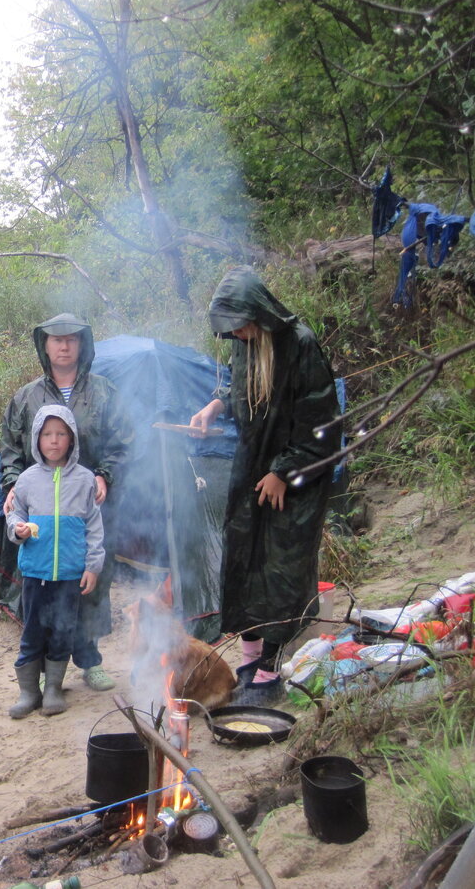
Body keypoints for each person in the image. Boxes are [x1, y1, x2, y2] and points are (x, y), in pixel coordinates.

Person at [188, 267, 340, 703]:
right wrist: (216, 406)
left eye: (241, 321)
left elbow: (322, 425)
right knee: (243, 556)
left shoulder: (300, 345)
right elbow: (244, 393)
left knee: (281, 568)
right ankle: (250, 656)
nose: (237, 332)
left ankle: (271, 671)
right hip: (253, 469)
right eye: (231, 326)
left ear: (260, 310)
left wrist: (285, 472)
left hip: (294, 479)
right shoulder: (244, 344)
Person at [0, 312, 132, 692]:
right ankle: (41, 671)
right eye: (55, 339)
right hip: (40, 508)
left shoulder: (105, 391)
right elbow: (11, 449)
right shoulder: (26, 396)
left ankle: (89, 661)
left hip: (88, 504)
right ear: (44, 345)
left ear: (82, 345)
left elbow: (122, 442)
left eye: (71, 339)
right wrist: (13, 484)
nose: (63, 345)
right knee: (41, 586)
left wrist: (104, 474)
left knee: (90, 582)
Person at [5, 405, 105, 717]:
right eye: (47, 434)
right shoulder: (27, 479)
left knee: (63, 630)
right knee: (33, 629)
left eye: (61, 434)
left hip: (71, 574)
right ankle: (28, 691)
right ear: (36, 439)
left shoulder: (85, 479)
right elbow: (15, 513)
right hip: (36, 571)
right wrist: (17, 530)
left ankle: (53, 689)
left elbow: (94, 526)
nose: (54, 440)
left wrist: (92, 566)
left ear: (72, 439)